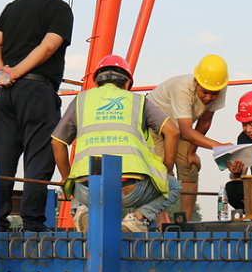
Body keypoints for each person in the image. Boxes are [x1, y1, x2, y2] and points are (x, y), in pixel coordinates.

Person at [0, 0, 74, 232]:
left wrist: (1, 73)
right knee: (39, 155)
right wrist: (18, 71)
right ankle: (33, 223)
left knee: (2, 157)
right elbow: (48, 47)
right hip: (37, 89)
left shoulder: (13, 6)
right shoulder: (60, 10)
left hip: (5, 92)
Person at [51, 55, 182, 232]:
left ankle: (80, 210)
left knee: (73, 182)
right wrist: (167, 170)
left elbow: (57, 142)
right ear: (127, 83)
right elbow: (173, 132)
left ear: (97, 82)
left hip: (88, 189)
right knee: (173, 186)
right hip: (129, 189)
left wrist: (66, 178)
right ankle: (137, 219)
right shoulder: (139, 102)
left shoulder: (81, 100)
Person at [147, 54, 231, 221]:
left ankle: (185, 221)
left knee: (189, 166)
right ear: (195, 82)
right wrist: (219, 146)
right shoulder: (182, 88)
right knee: (161, 170)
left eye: (214, 94)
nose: (208, 97)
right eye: (204, 92)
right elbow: (187, 131)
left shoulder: (219, 88)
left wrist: (192, 152)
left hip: (177, 127)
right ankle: (160, 223)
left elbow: (204, 122)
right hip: (154, 126)